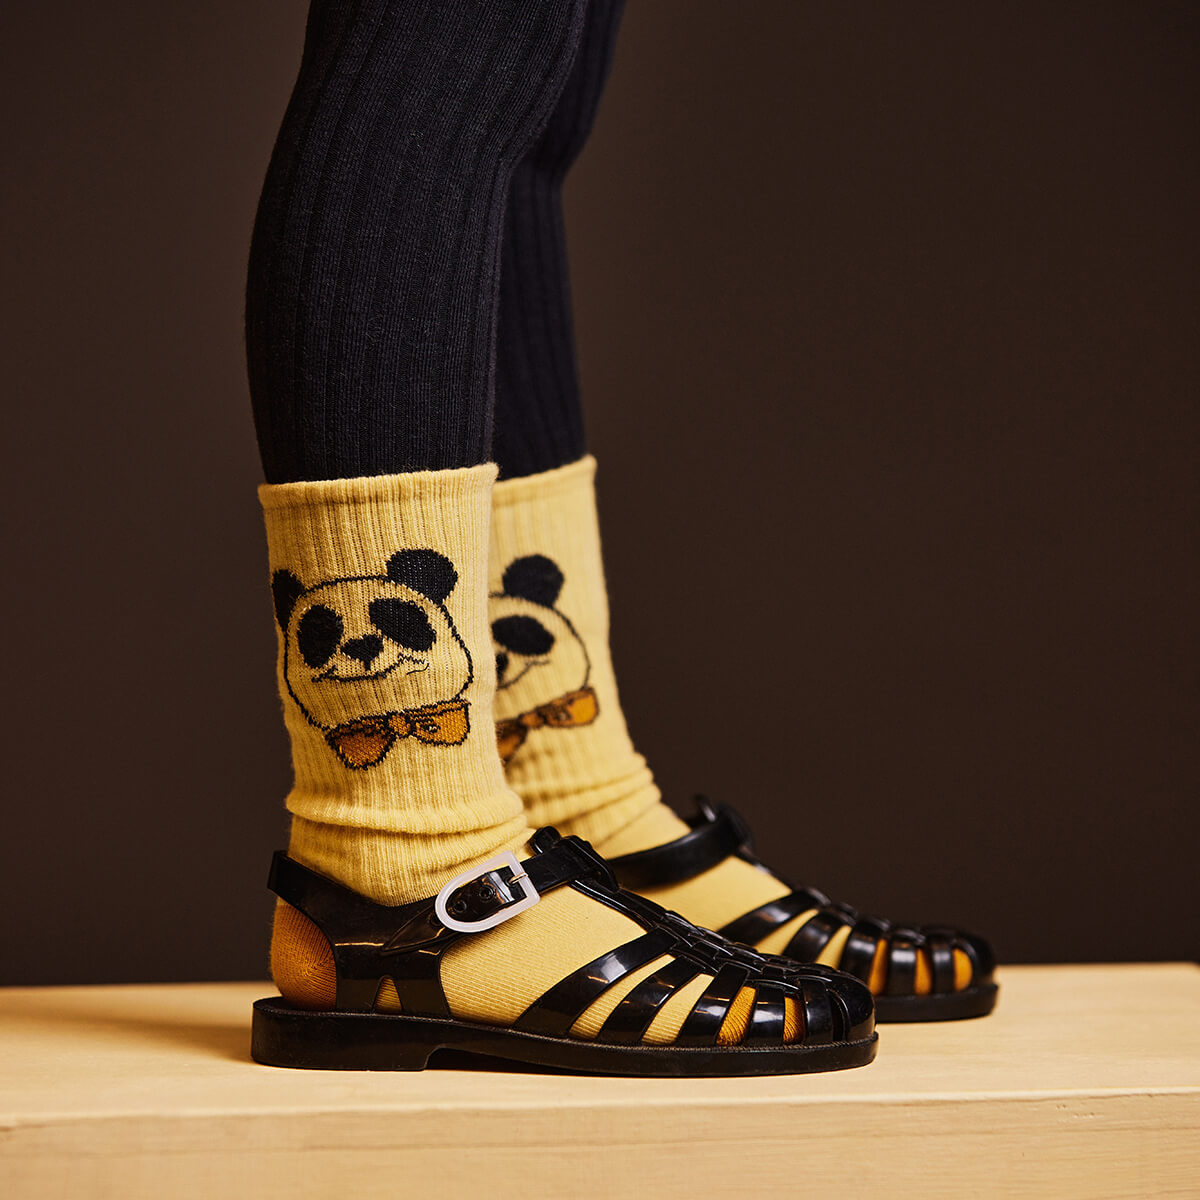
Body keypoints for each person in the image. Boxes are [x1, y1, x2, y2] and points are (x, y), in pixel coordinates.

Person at [244, 0, 992, 1075]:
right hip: (400, 878)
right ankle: (399, 859)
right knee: (447, 42)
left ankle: (561, 789)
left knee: (530, 90)